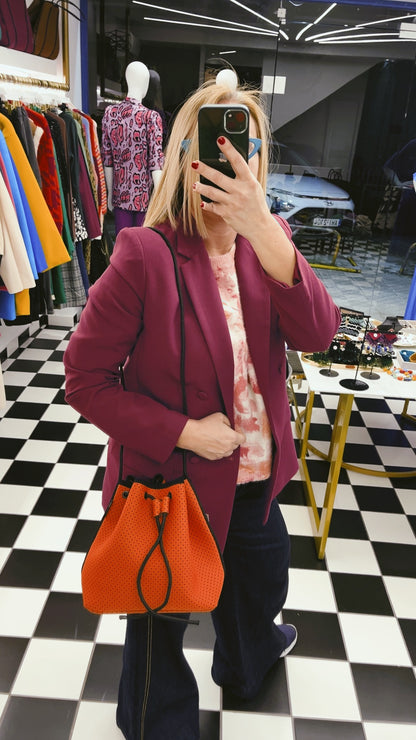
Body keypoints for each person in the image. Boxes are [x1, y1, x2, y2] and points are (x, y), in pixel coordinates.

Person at [64, 72, 341, 740]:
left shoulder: (269, 244)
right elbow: (84, 380)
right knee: (159, 617)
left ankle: (247, 663)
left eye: (246, 150)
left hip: (255, 477)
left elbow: (318, 334)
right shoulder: (145, 254)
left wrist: (266, 231)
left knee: (258, 585)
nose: (231, 163)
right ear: (185, 156)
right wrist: (185, 431)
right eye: (215, 147)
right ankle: (157, 724)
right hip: (171, 484)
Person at [101, 61, 164, 235]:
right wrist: (161, 199)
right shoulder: (150, 117)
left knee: (123, 244)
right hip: (144, 200)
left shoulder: (110, 113)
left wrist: (110, 194)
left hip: (119, 197)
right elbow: (156, 164)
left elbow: (107, 160)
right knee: (142, 245)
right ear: (145, 84)